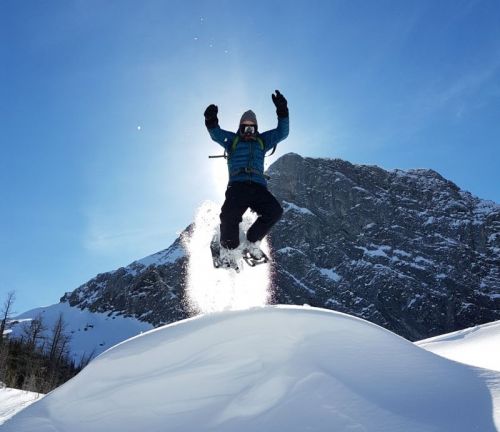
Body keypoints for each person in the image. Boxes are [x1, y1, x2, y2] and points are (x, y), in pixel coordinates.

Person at [204, 90, 289, 268]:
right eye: (245, 127)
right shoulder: (232, 140)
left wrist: (282, 110)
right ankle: (228, 247)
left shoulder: (262, 141)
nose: (248, 131)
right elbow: (216, 133)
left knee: (275, 211)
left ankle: (251, 241)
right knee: (229, 216)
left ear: (256, 128)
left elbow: (282, 132)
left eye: (252, 127)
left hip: (258, 188)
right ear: (240, 127)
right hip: (237, 187)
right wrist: (211, 120)